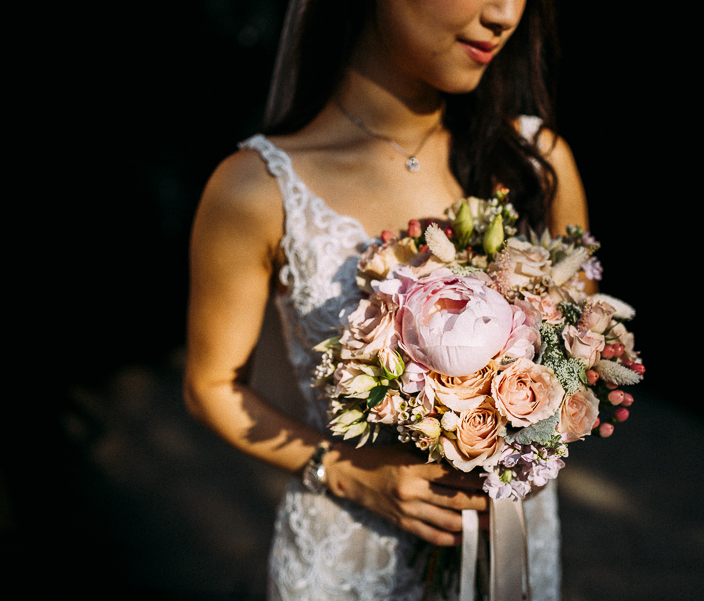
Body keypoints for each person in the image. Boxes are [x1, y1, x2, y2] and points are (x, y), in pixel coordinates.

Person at [184, 1, 591, 599]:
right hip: (347, 559)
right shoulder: (256, 189)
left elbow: (581, 357)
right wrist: (344, 472)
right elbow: (210, 387)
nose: (504, 14)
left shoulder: (535, 162)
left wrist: (530, 437)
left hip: (508, 552)